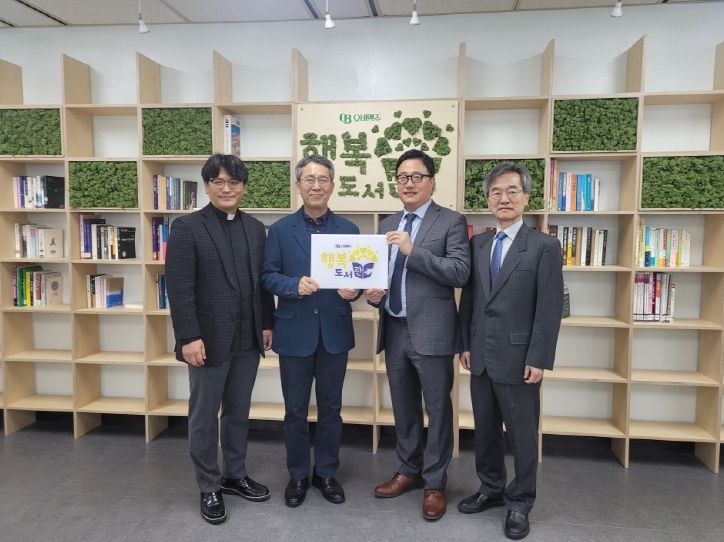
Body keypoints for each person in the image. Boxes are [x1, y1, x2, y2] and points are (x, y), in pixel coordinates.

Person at [165, 154, 274, 525]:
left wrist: (266, 323)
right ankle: (208, 485)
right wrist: (188, 337)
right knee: (204, 416)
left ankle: (234, 474)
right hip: (207, 340)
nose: (227, 188)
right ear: (207, 186)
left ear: (243, 187)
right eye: (219, 182)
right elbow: (179, 288)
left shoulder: (255, 228)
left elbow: (262, 283)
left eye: (234, 182)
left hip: (248, 337)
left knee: (238, 412)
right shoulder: (187, 227)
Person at [458, 162, 563, 540]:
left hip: (520, 359)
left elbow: (549, 308)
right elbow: (470, 300)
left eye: (512, 191)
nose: (503, 198)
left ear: (526, 197)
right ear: (488, 200)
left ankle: (520, 501)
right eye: (496, 192)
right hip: (480, 356)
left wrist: (539, 357)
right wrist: (465, 344)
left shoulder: (544, 247)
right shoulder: (478, 244)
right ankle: (490, 487)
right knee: (485, 430)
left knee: (521, 435)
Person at [364, 149, 470, 521]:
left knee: (438, 410)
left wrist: (413, 250)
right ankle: (408, 469)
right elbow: (380, 276)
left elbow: (459, 272)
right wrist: (374, 296)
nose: (408, 183)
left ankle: (435, 482)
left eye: (416, 176)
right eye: (402, 177)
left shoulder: (451, 221)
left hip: (433, 332)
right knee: (403, 407)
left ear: (431, 181)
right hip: (394, 329)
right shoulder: (387, 223)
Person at [262, 154, 360, 508]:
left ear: (332, 186)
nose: (316, 186)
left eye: (322, 180)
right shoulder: (279, 230)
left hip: (334, 331)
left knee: (332, 408)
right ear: (298, 185)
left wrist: (354, 291)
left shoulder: (349, 230)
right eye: (309, 179)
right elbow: (267, 276)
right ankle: (299, 474)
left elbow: (358, 277)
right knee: (295, 411)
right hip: (294, 331)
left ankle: (327, 473)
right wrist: (292, 285)